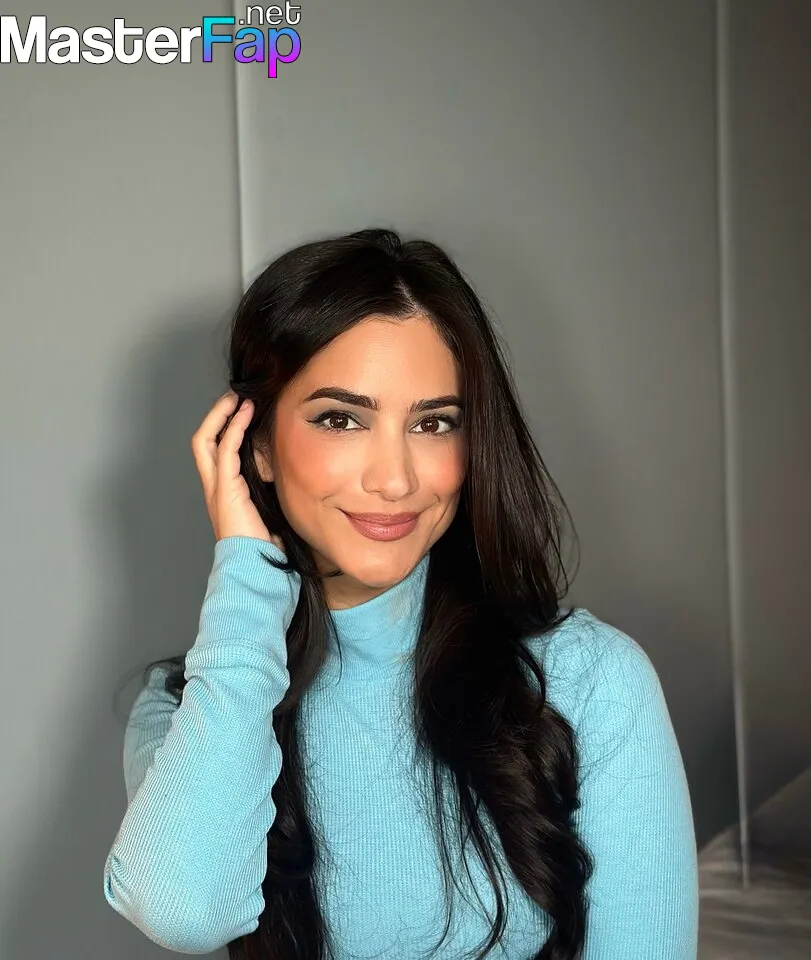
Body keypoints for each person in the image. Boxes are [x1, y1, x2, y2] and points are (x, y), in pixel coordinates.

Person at [102, 227, 699, 959]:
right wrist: (247, 574)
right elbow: (183, 912)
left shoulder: (587, 680)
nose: (395, 479)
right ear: (254, 444)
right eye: (340, 419)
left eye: (433, 423)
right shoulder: (195, 707)